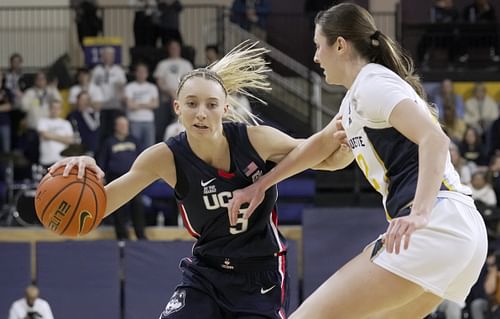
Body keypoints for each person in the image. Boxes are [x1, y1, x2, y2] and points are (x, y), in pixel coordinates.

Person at [49, 41, 349, 318]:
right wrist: (85, 174)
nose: (201, 114)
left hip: (259, 274)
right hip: (206, 272)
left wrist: (349, 144)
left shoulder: (257, 140)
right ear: (177, 108)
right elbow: (96, 209)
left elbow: (330, 160)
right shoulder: (164, 157)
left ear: (226, 109)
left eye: (211, 104)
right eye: (191, 104)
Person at [228, 4, 488, 319]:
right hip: (463, 234)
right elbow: (321, 147)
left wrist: (420, 214)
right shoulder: (357, 98)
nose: (315, 57)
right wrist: (262, 184)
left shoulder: (374, 85)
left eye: (317, 45)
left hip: (436, 224)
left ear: (340, 44)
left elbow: (435, 139)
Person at [97, 115, 147, 240]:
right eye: (122, 125)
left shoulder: (134, 140)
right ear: (116, 127)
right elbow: (102, 161)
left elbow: (143, 157)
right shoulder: (109, 142)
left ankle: (140, 235)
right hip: (116, 179)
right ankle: (122, 237)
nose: (125, 127)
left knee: (138, 205)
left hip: (134, 179)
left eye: (126, 125)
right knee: (118, 208)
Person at [125, 62, 159, 150]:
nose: (141, 74)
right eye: (139, 72)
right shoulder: (130, 87)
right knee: (135, 147)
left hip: (149, 121)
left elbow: (155, 104)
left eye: (143, 72)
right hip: (134, 121)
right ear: (135, 73)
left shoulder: (152, 87)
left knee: (150, 148)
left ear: (147, 74)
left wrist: (138, 104)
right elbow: (130, 105)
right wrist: (147, 104)